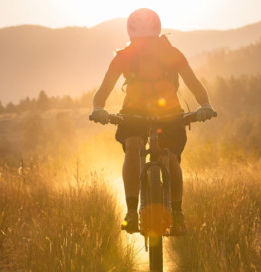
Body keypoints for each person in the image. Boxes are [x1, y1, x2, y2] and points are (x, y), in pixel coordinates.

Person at [90, 8, 215, 235]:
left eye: (148, 40)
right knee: (132, 147)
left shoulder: (172, 53)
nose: (143, 45)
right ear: (131, 38)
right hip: (133, 113)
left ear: (157, 37)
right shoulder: (123, 57)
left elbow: (194, 83)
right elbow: (102, 92)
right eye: (138, 40)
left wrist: (205, 104)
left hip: (170, 113)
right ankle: (131, 212)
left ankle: (176, 214)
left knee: (170, 158)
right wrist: (98, 109)